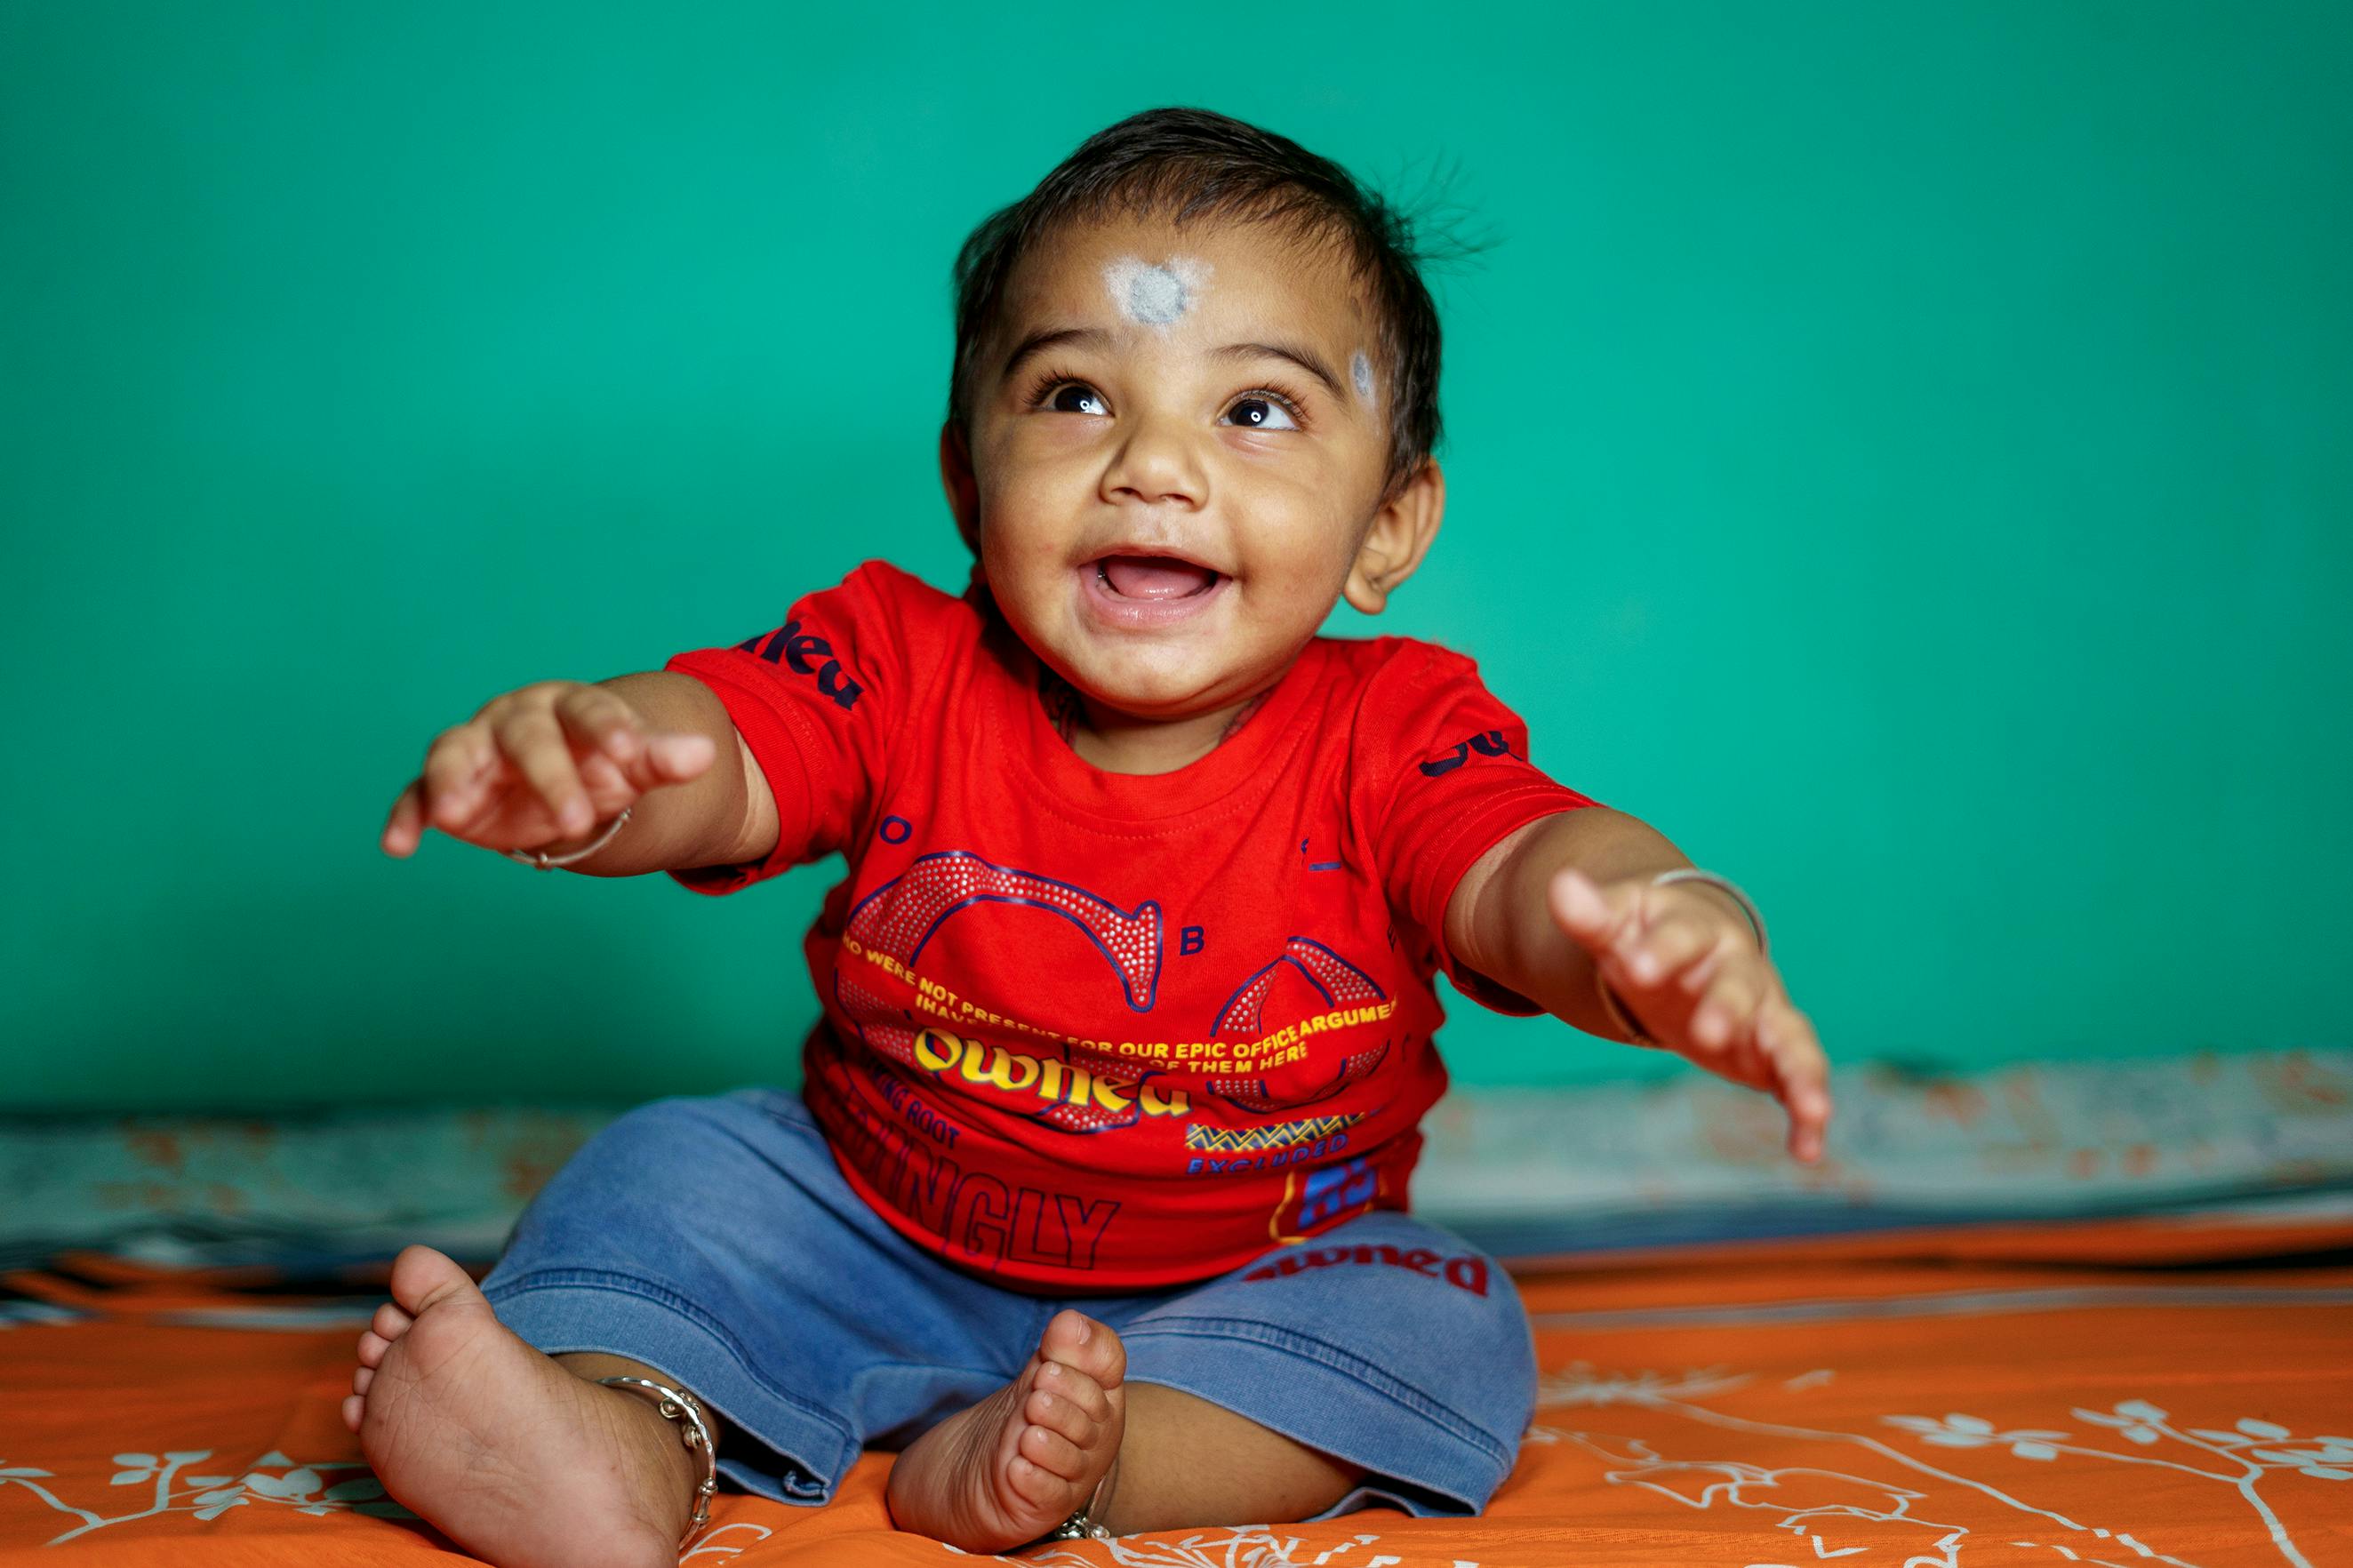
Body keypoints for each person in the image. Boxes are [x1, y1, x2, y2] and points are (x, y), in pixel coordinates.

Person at [360, 106, 1833, 1568]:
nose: (1151, 465)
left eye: (1255, 411)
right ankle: (610, 1451)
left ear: (1389, 524)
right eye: (1075, 396)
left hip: (1248, 1282)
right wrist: (597, 773)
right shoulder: (893, 659)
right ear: (965, 477)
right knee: (662, 1178)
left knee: (1446, 1319)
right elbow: (731, 755)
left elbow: (1523, 868)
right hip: (857, 1219)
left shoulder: (1394, 736)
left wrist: (1658, 920)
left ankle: (1099, 1458)